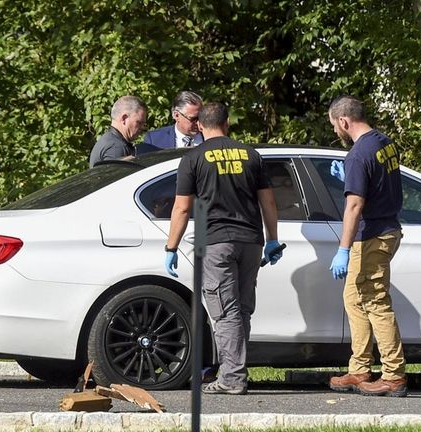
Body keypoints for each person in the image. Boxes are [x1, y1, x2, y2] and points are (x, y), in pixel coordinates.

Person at [164, 102, 282, 395]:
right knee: (241, 311)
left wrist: (171, 247)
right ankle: (235, 372)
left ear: (201, 126)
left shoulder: (194, 158)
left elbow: (181, 208)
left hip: (216, 242)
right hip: (251, 242)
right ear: (227, 123)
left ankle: (232, 378)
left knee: (225, 312)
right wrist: (271, 239)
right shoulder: (251, 155)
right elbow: (268, 202)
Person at [326, 95, 406, 397]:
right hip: (385, 228)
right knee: (354, 299)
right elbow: (378, 184)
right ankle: (359, 368)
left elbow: (355, 205)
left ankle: (393, 375)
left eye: (335, 126)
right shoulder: (383, 142)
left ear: (344, 121)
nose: (336, 132)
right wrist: (349, 177)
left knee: (374, 302)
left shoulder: (358, 155)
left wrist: (343, 248)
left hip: (371, 235)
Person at [88, 96, 147, 167]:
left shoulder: (109, 140)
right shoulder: (116, 147)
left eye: (143, 124)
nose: (142, 127)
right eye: (139, 122)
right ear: (124, 118)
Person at [138, 91, 204, 154]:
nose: (198, 122)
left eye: (201, 117)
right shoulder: (154, 140)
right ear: (176, 115)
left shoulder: (211, 137)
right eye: (193, 119)